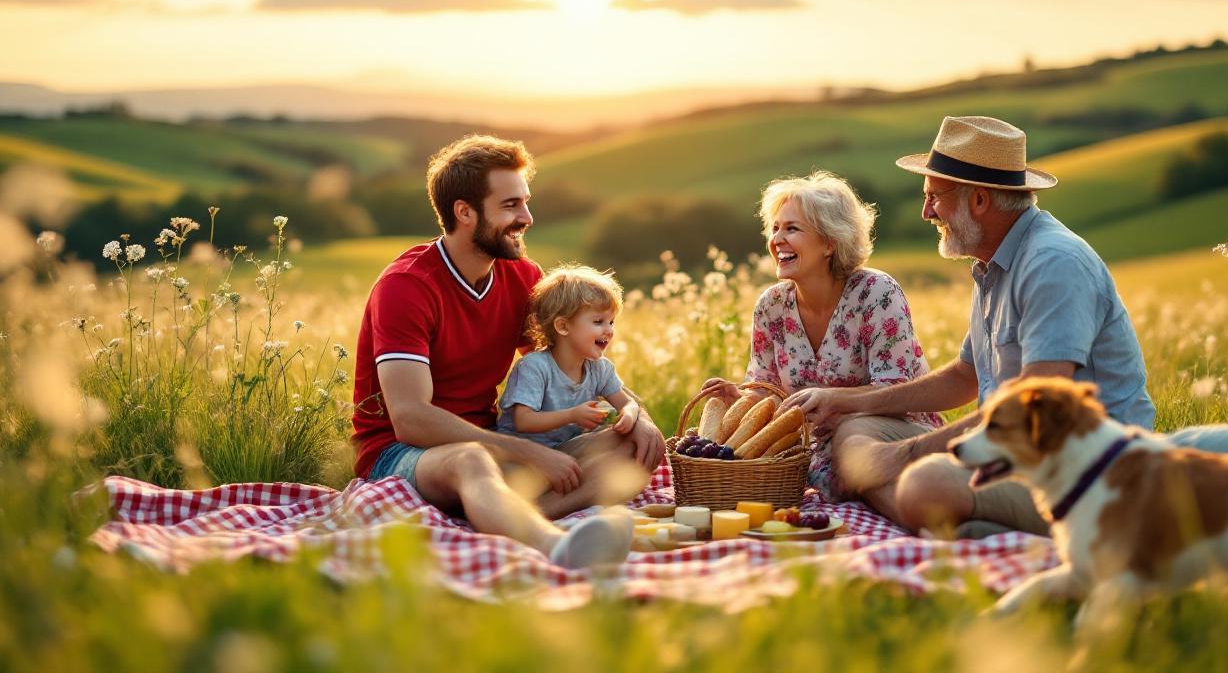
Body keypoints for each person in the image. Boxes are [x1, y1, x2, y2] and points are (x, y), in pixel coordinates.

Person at [781, 115, 1153, 539]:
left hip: (1084, 472)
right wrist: (850, 403)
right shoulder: (994, 265)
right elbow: (964, 376)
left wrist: (905, 455)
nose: (926, 212)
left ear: (978, 200)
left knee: (925, 481)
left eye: (933, 197)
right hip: (1009, 450)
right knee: (854, 433)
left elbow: (1035, 400)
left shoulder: (1053, 264)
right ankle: (959, 520)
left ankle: (940, 513)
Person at [350, 135, 665, 569]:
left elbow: (567, 362)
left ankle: (504, 514)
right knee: (471, 459)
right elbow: (410, 419)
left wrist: (636, 414)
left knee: (631, 447)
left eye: (525, 202)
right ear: (465, 212)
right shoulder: (406, 287)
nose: (527, 218)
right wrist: (526, 452)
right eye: (511, 205)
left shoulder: (521, 277)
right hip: (399, 452)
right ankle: (556, 546)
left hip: (489, 441)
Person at [699, 171, 941, 500]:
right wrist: (737, 398)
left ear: (830, 242)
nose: (776, 239)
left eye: (792, 229)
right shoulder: (771, 306)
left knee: (849, 462)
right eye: (775, 228)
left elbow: (895, 391)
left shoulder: (876, 293)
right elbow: (768, 392)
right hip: (811, 448)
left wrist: (834, 402)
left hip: (887, 437)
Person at [497, 265, 641, 449]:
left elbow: (627, 403)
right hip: (523, 453)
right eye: (598, 322)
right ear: (563, 326)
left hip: (565, 450)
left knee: (625, 441)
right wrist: (572, 416)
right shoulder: (534, 367)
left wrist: (629, 413)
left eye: (611, 322)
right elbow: (523, 421)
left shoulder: (600, 368)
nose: (609, 330)